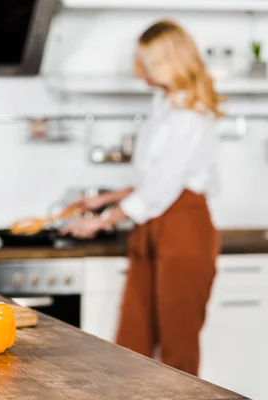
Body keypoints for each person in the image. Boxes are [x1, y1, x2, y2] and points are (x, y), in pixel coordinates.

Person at [63, 20, 222, 376]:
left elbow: (163, 190)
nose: (138, 70)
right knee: (133, 341)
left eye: (144, 62)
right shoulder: (163, 105)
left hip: (185, 228)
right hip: (154, 222)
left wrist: (103, 219)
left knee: (178, 350)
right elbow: (155, 180)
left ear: (166, 62)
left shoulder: (189, 117)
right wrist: (104, 199)